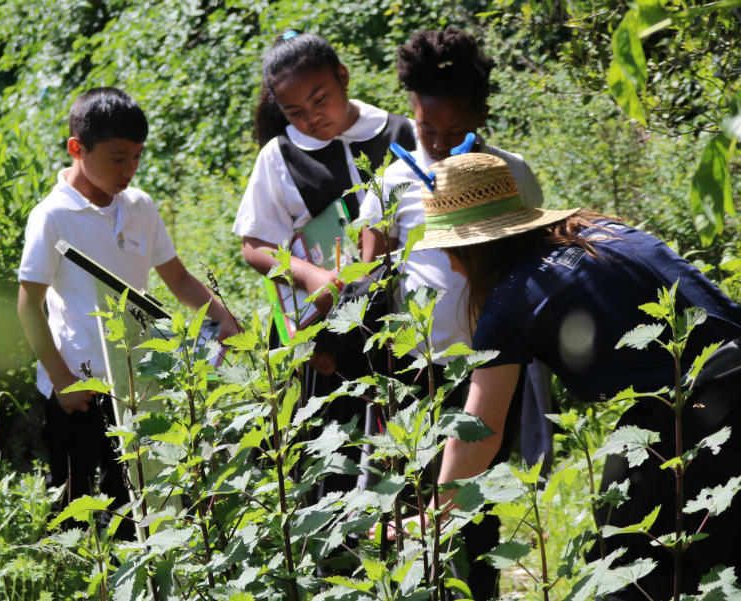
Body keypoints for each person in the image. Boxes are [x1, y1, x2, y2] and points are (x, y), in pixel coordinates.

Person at [417, 152, 741, 600]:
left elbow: (478, 431)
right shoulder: (601, 232)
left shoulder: (511, 299)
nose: (451, 266)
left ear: (473, 248)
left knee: (630, 570)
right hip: (710, 388)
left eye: (449, 250)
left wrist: (436, 514)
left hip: (708, 409)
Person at [355, 28, 548, 595]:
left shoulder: (509, 171)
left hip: (490, 365)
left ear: (482, 115)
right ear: (409, 111)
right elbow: (371, 273)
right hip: (415, 368)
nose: (439, 143)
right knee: (413, 498)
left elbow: (530, 261)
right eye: (426, 129)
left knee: (472, 501)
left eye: (456, 131)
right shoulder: (393, 179)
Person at [17, 87, 239, 532]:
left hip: (138, 378)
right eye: (118, 158)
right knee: (74, 504)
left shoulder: (139, 207)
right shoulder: (53, 215)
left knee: (136, 496)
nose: (129, 170)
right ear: (77, 149)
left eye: (137, 157)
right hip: (80, 387)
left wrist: (225, 320)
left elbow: (177, 279)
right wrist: (62, 381)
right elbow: (28, 305)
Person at [232, 30, 417, 495]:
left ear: (343, 77)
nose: (313, 118)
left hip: (409, 322)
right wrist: (314, 275)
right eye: (296, 112)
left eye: (321, 100)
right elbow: (255, 245)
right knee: (334, 461)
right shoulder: (280, 157)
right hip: (326, 336)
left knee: (411, 452)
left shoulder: (400, 132)